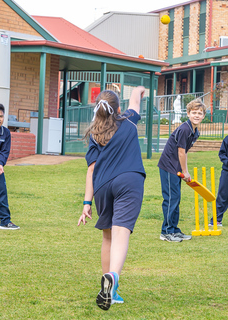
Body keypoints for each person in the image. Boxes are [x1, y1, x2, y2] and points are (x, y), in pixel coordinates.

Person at [78, 86, 146, 311]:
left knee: (107, 237)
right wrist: (138, 89)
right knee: (121, 233)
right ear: (118, 109)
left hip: (102, 187)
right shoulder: (129, 121)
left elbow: (91, 170)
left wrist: (87, 203)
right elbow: (135, 102)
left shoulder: (96, 134)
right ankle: (112, 279)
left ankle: (108, 290)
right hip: (129, 181)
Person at [158, 99, 206, 242]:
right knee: (171, 198)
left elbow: (183, 152)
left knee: (176, 198)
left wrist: (182, 170)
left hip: (175, 168)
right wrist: (185, 171)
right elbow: (181, 152)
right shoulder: (185, 129)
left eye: (200, 113)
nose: (197, 115)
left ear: (204, 116)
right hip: (168, 166)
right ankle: (166, 232)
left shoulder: (194, 131)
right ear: (188, 113)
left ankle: (174, 229)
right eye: (194, 113)